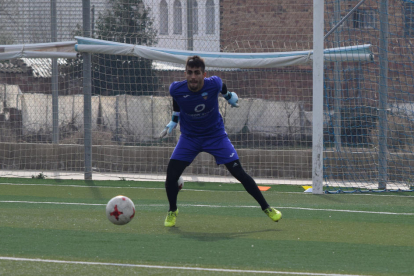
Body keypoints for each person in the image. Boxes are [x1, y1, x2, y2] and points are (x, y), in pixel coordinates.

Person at [160, 55, 282, 227]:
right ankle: (172, 210)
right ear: (185, 73)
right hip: (190, 138)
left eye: (197, 73)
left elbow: (223, 88)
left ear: (204, 74)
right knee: (171, 176)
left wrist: (229, 96)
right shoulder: (176, 89)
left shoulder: (214, 84)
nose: (193, 77)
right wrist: (174, 120)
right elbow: (177, 102)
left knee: (239, 173)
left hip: (215, 136)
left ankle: (267, 208)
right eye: (189, 72)